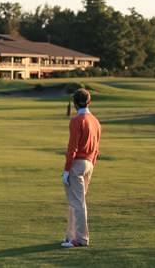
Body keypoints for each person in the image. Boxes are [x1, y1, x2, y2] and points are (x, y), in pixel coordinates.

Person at [61, 88, 101, 248]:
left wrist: (66, 169)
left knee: (77, 202)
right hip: (89, 164)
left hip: (77, 164)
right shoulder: (96, 121)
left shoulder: (77, 121)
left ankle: (81, 239)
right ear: (89, 101)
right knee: (75, 201)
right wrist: (92, 164)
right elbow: (97, 148)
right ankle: (70, 236)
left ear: (75, 103)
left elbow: (73, 147)